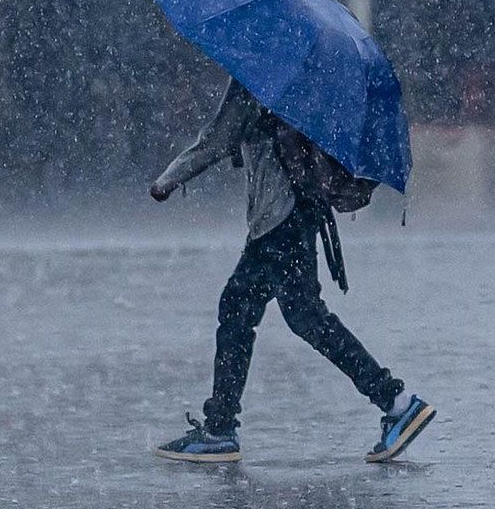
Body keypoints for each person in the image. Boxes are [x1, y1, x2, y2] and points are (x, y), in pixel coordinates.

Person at [149, 77, 435, 463]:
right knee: (296, 316)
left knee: (246, 310)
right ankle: (396, 402)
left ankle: (220, 429)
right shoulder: (301, 79)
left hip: (278, 219)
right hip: (300, 212)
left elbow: (217, 139)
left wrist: (168, 179)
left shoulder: (256, 77)